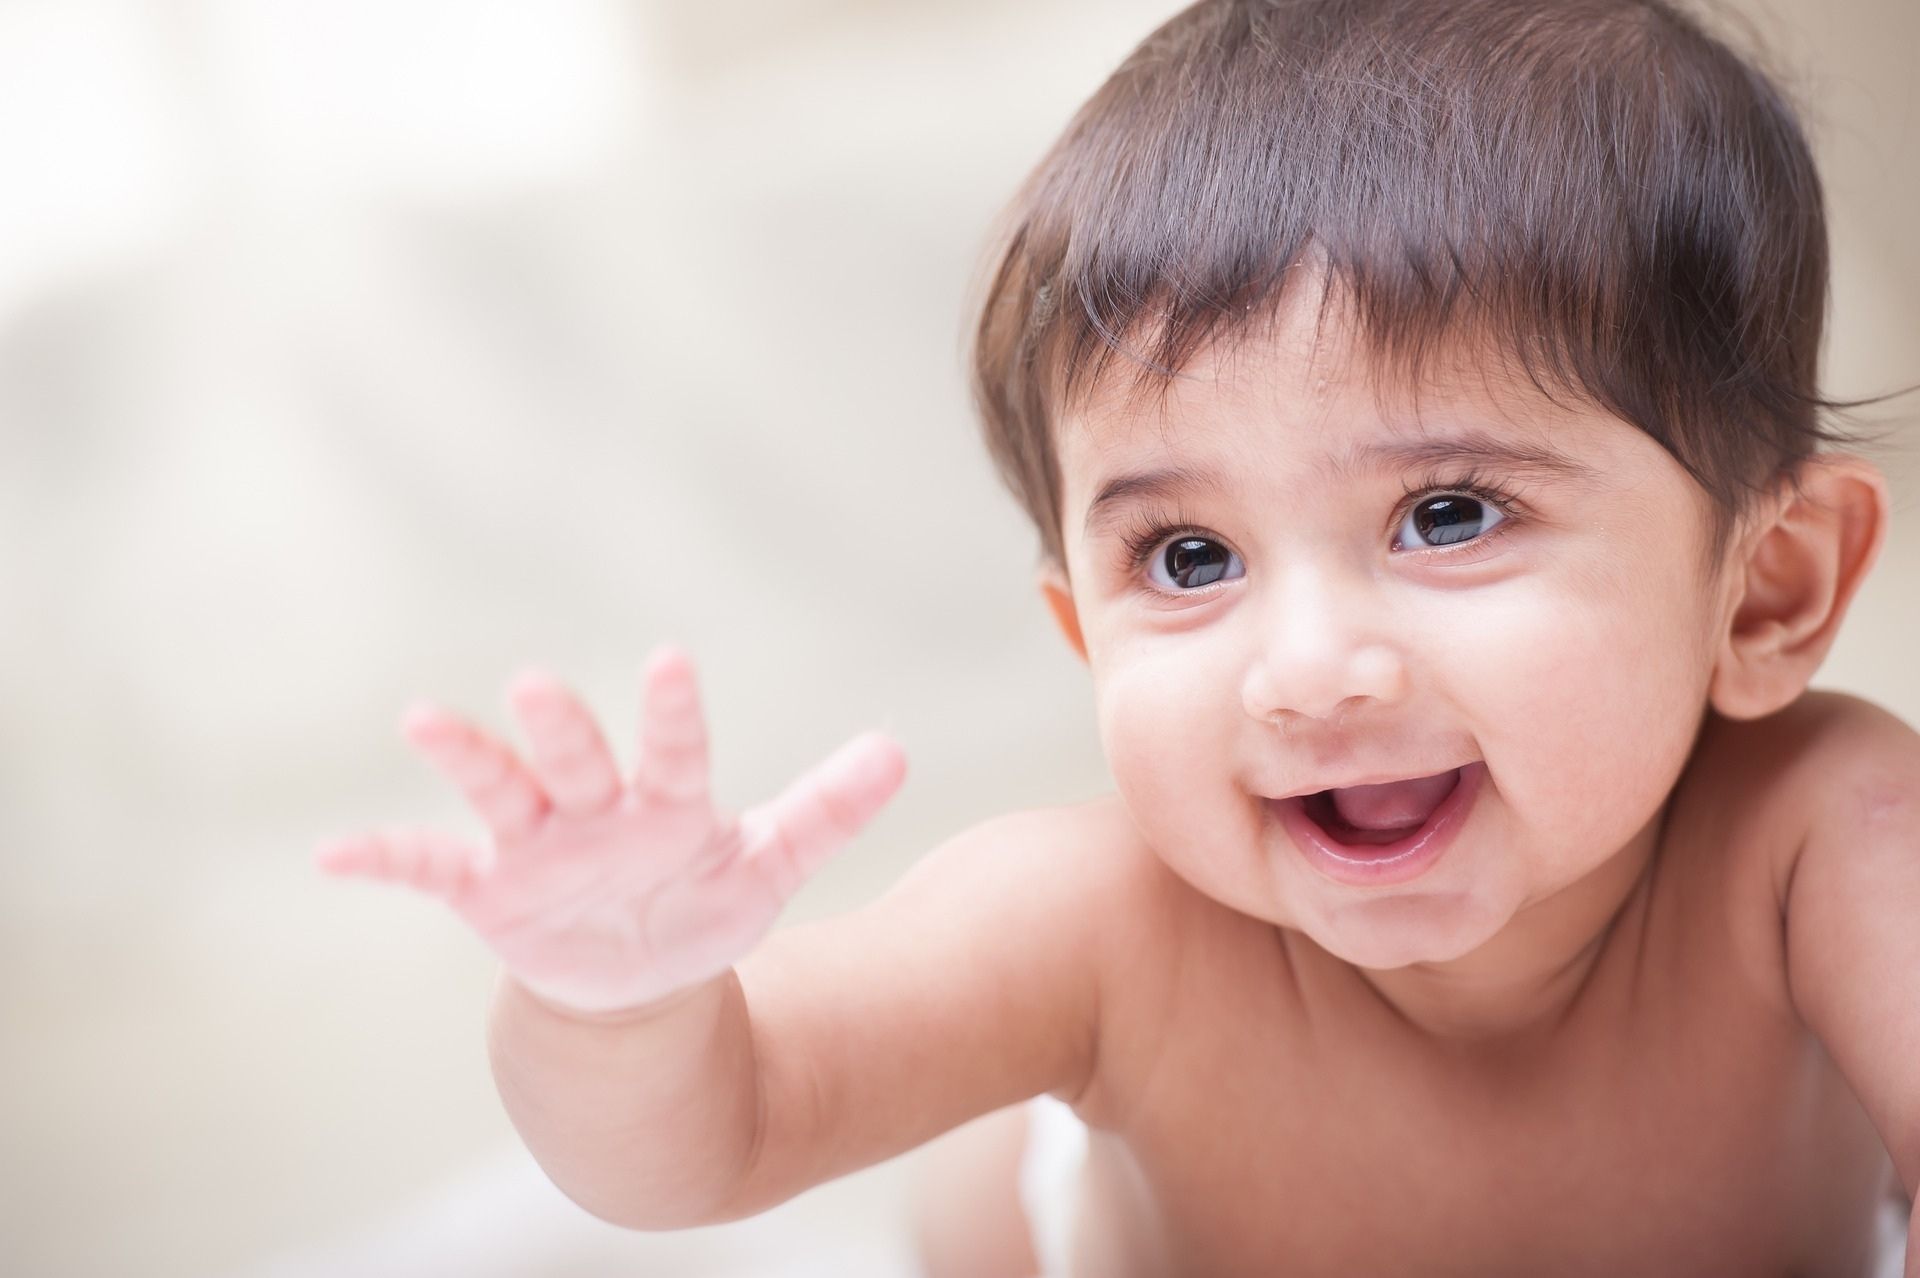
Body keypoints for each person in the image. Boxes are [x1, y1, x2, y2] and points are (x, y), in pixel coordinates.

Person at [316, 0, 1919, 1273]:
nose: (1306, 667)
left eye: (1447, 515)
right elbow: (707, 1140)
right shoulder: (1100, 925)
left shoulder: (1823, 842)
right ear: (1086, 633)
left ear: (1764, 588)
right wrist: (625, 1002)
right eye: (1193, 552)